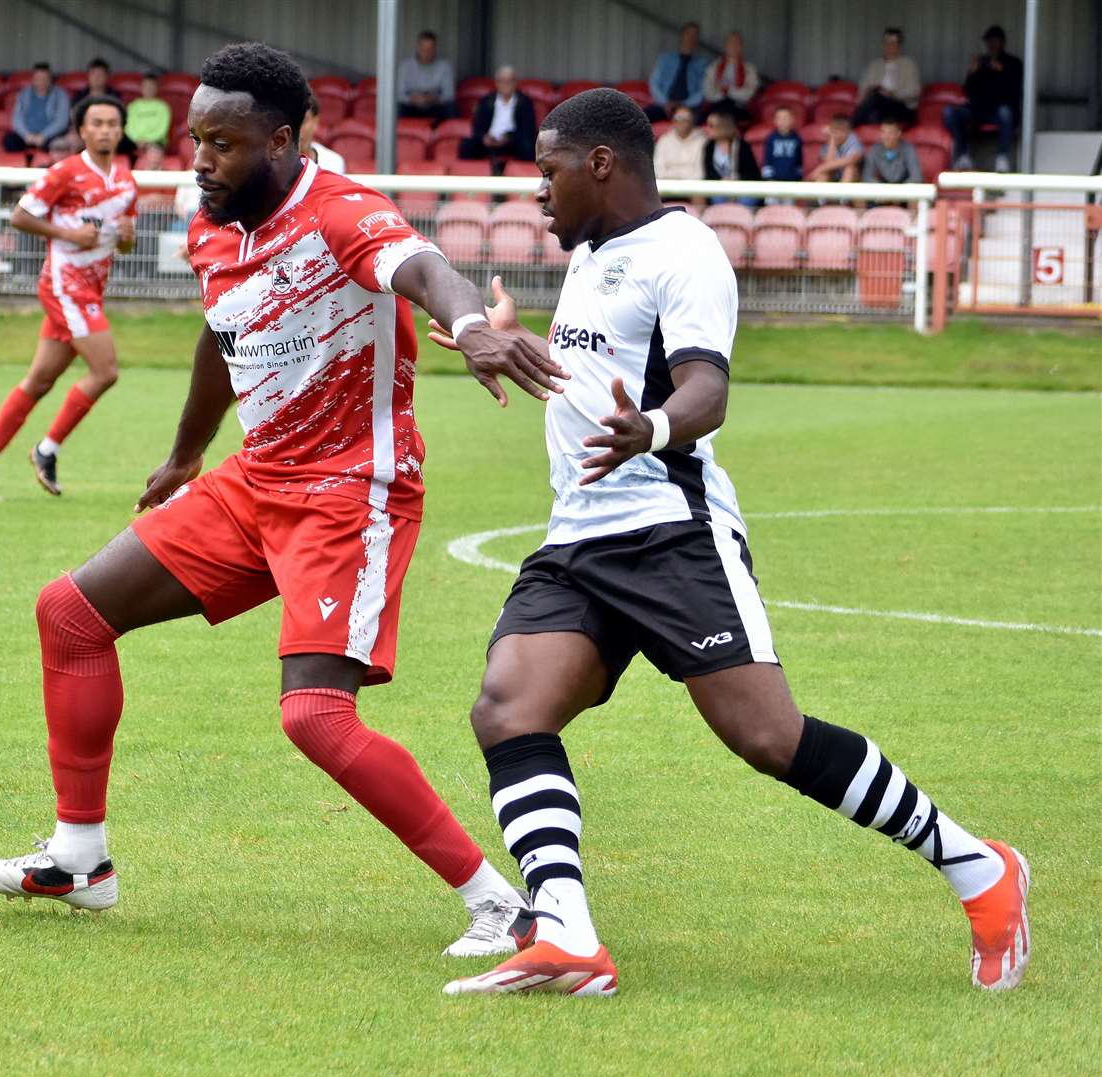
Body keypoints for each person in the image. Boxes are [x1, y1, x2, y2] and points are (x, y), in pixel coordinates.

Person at [430, 86, 1031, 997]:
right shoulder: (594, 254)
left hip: (673, 534)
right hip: (579, 539)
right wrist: (518, 344)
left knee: (766, 736)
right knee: (508, 710)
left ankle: (979, 868)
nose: (536, 191)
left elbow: (704, 390)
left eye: (547, 169)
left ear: (601, 164)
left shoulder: (685, 254)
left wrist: (657, 431)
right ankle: (568, 935)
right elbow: (601, 371)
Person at [0, 43, 564, 960]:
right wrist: (186, 453)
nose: (199, 160)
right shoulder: (213, 218)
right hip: (256, 477)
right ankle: (80, 859)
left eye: (222, 143)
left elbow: (424, 268)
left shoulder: (341, 211)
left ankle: (504, 907)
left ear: (281, 140)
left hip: (348, 490)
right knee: (72, 614)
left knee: (314, 717)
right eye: (196, 138)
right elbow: (220, 334)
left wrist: (475, 325)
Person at [0, 96, 137, 500]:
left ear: (122, 129)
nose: (106, 130)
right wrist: (68, 235)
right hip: (65, 285)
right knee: (106, 370)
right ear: (82, 130)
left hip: (92, 287)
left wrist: (128, 239)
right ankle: (47, 450)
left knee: (40, 380)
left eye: (113, 123)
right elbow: (22, 215)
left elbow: (124, 242)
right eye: (97, 123)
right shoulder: (66, 172)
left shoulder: (126, 180)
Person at [944, 25, 1022, 172]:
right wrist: (972, 72)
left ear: (1002, 42)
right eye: (989, 41)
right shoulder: (981, 62)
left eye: (995, 40)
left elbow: (1014, 90)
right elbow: (968, 91)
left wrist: (1002, 70)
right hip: (978, 111)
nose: (992, 44)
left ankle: (1002, 157)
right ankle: (963, 155)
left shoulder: (1013, 62)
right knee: (949, 112)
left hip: (998, 112)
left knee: (1006, 112)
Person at [459, 66, 537, 170]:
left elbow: (528, 129)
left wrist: (509, 137)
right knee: (466, 146)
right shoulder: (486, 101)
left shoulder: (524, 102)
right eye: (503, 81)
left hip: (512, 142)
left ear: (515, 83)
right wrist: (484, 137)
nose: (506, 85)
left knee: (528, 148)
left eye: (510, 81)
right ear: (497, 83)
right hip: (489, 141)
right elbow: (477, 126)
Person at [852, 27, 921, 127]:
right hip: (878, 106)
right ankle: (873, 119)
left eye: (893, 43)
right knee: (876, 99)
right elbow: (861, 91)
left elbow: (915, 92)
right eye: (886, 43)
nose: (889, 46)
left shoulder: (908, 64)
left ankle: (850, 126)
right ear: (883, 44)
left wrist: (893, 94)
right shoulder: (874, 65)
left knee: (878, 98)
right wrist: (868, 91)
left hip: (901, 107)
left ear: (899, 45)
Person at [3, 62, 72, 154]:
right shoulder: (23, 94)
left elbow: (62, 121)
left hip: (49, 136)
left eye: (44, 79)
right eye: (38, 78)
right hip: (27, 136)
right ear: (33, 79)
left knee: (57, 145)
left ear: (50, 79)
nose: (41, 82)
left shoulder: (61, 95)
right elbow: (17, 118)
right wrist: (26, 135)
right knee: (9, 141)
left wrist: (43, 135)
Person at [647, 22, 707, 123]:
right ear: (682, 36)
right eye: (688, 34)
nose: (691, 38)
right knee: (640, 119)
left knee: (698, 119)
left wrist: (684, 104)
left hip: (688, 107)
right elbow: (654, 83)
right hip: (664, 105)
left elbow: (703, 90)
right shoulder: (665, 59)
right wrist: (665, 103)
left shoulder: (701, 63)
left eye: (695, 35)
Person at [702, 108, 760, 204]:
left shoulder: (742, 146)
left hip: (742, 188)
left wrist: (736, 179)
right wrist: (722, 181)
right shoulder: (709, 146)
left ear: (723, 126)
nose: (707, 129)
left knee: (746, 200)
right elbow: (708, 173)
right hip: (718, 188)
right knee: (717, 198)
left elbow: (753, 174)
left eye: (711, 126)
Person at [397, 30, 456, 122]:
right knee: (397, 107)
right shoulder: (405, 66)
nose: (427, 52)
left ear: (436, 49)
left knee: (451, 108)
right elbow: (398, 94)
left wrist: (435, 98)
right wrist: (412, 99)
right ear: (418, 48)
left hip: (435, 105)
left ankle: (441, 134)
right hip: (412, 106)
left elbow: (449, 94)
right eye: (423, 48)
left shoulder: (445, 66)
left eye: (430, 48)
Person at [702, 31, 758, 122]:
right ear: (725, 46)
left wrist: (727, 90)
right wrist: (727, 93)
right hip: (717, 105)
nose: (733, 46)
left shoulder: (749, 69)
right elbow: (708, 93)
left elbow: (748, 94)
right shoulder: (713, 67)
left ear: (741, 47)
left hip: (739, 107)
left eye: (737, 43)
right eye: (730, 43)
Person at [122, 71, 172, 158]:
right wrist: (137, 140)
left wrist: (147, 141)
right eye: (146, 86)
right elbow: (127, 127)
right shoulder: (133, 106)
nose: (149, 88)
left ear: (157, 88)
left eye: (152, 86)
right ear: (141, 87)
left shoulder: (163, 107)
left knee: (155, 149)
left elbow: (162, 129)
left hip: (155, 141)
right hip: (134, 141)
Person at [652, 104, 706, 181]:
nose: (682, 121)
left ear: (693, 120)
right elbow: (658, 170)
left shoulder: (702, 141)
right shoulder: (664, 140)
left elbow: (700, 173)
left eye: (686, 118)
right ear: (673, 121)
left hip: (693, 188)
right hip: (667, 187)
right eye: (678, 117)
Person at [862, 119, 921, 184]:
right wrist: (882, 189)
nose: (886, 136)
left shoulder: (908, 149)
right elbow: (867, 176)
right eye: (883, 132)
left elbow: (916, 177)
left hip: (904, 188)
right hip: (882, 189)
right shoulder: (874, 150)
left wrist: (900, 189)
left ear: (898, 133)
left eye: (890, 133)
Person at [807, 114, 862, 183]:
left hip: (852, 177)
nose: (838, 134)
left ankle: (843, 193)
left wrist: (820, 168)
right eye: (835, 130)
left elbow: (851, 159)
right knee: (823, 174)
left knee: (849, 168)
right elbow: (828, 162)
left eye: (842, 131)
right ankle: (821, 193)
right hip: (834, 175)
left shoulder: (853, 139)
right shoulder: (827, 142)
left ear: (848, 132)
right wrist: (832, 140)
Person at [299, 95, 345, 173]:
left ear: (315, 122)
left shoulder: (333, 162)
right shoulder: (273, 164)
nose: (297, 128)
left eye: (303, 121)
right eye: (291, 122)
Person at [761, 104, 803, 181]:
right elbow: (767, 160)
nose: (783, 121)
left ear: (792, 119)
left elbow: (799, 161)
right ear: (775, 121)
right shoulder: (771, 139)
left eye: (786, 118)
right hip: (774, 180)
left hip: (792, 180)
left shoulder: (797, 139)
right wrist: (769, 179)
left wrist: (798, 178)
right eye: (779, 118)